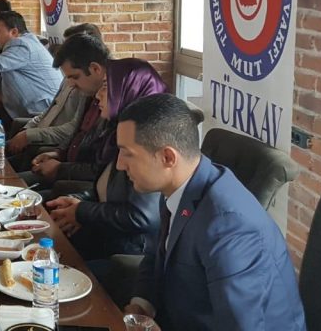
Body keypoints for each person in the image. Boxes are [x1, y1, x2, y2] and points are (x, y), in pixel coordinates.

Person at [119, 94, 306, 330]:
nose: (119, 164)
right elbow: (158, 254)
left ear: (168, 157)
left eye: (127, 153)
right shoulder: (178, 185)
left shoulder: (229, 226)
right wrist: (142, 306)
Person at [44, 65, 162, 261]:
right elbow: (106, 189)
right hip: (106, 238)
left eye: (106, 87)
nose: (98, 95)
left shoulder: (147, 142)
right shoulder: (116, 131)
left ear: (129, 91)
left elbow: (140, 216)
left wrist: (83, 211)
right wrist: (78, 202)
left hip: (126, 254)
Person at [25, 36, 167, 191]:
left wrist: (61, 169)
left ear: (95, 69)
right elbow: (79, 134)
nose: (71, 85)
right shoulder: (92, 94)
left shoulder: (126, 119)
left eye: (74, 77)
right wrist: (60, 154)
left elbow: (103, 173)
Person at [7, 23, 102, 171]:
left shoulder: (89, 87)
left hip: (57, 144)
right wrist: (29, 129)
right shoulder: (71, 75)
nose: (64, 51)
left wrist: (31, 135)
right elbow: (51, 108)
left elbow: (73, 130)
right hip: (54, 141)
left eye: (70, 47)